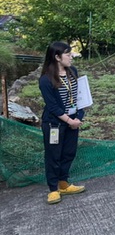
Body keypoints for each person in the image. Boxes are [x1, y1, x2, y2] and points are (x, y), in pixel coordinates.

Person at [39, 42, 86, 205]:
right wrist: (69, 120)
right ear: (57, 57)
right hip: (55, 124)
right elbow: (52, 106)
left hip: (73, 121)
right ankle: (53, 189)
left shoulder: (73, 72)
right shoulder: (46, 80)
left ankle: (63, 183)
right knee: (53, 155)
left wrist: (78, 117)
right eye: (68, 54)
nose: (71, 57)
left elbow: (79, 96)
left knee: (69, 152)